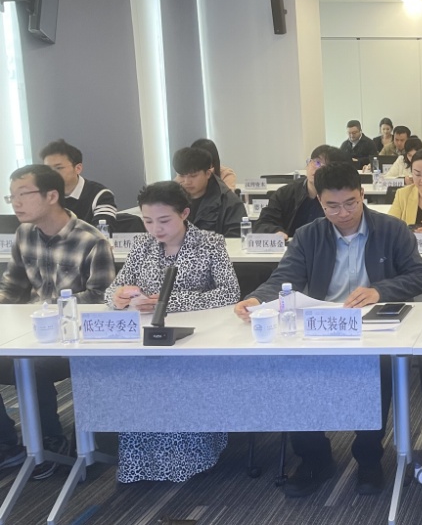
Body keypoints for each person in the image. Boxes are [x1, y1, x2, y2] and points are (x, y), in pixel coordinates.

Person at [233, 163, 422, 498]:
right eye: (332, 206)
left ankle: (369, 457)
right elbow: (284, 278)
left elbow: (419, 276)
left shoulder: (391, 229)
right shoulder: (308, 234)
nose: (343, 213)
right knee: (295, 372)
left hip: (373, 326)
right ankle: (314, 459)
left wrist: (379, 291)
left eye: (351, 203)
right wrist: (256, 299)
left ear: (362, 194)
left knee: (379, 371)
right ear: (320, 203)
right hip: (322, 325)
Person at [105, 181, 240, 483]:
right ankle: (141, 464)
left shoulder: (210, 243)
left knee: (176, 382)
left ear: (184, 214)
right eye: (148, 221)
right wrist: (119, 297)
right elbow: (113, 289)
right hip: (146, 337)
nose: (156, 229)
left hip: (197, 337)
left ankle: (188, 461)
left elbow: (230, 293)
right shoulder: (142, 245)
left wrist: (170, 303)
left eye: (164, 220)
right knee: (139, 384)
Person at [0, 165, 114, 478]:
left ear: (52, 196)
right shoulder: (24, 234)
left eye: (23, 194)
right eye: (11, 197)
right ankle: (7, 445)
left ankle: (51, 441)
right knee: (22, 359)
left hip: (74, 340)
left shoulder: (91, 240)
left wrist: (48, 309)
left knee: (33, 365)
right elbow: (12, 290)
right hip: (31, 332)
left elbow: (102, 300)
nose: (16, 203)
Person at [254, 145, 350, 238]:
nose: (319, 169)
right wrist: (275, 232)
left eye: (326, 166)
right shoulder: (285, 193)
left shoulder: (339, 198)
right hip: (289, 246)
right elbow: (263, 222)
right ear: (308, 164)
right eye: (317, 162)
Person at [38, 139, 117, 228]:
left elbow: (102, 232)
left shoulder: (100, 195)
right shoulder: (43, 195)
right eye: (48, 169)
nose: (52, 173)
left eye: (59, 168)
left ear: (78, 168)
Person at [171, 147, 245, 237]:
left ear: (208, 174)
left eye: (193, 176)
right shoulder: (169, 199)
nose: (187, 182)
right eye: (181, 176)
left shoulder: (228, 202)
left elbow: (235, 240)